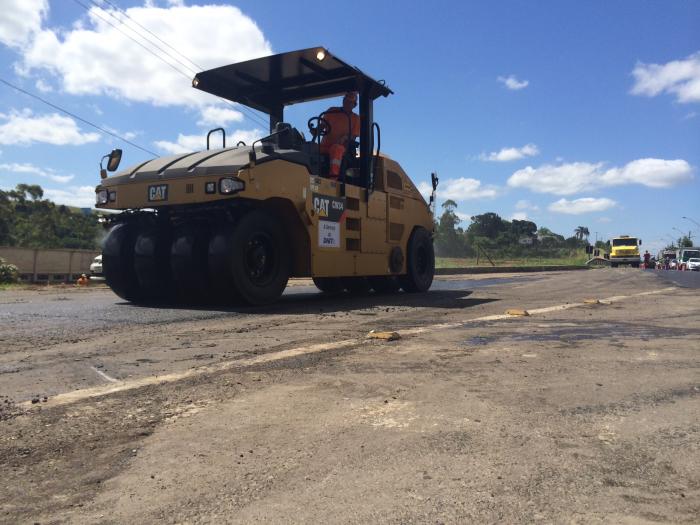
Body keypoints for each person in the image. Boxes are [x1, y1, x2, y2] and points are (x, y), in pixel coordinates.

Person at [320, 92, 360, 178]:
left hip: (343, 148)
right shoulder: (332, 111)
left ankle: (334, 177)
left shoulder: (355, 118)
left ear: (354, 105)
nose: (347, 103)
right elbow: (321, 126)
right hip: (325, 146)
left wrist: (345, 138)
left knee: (336, 149)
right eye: (346, 101)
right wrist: (316, 130)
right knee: (309, 147)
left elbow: (353, 136)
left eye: (350, 102)